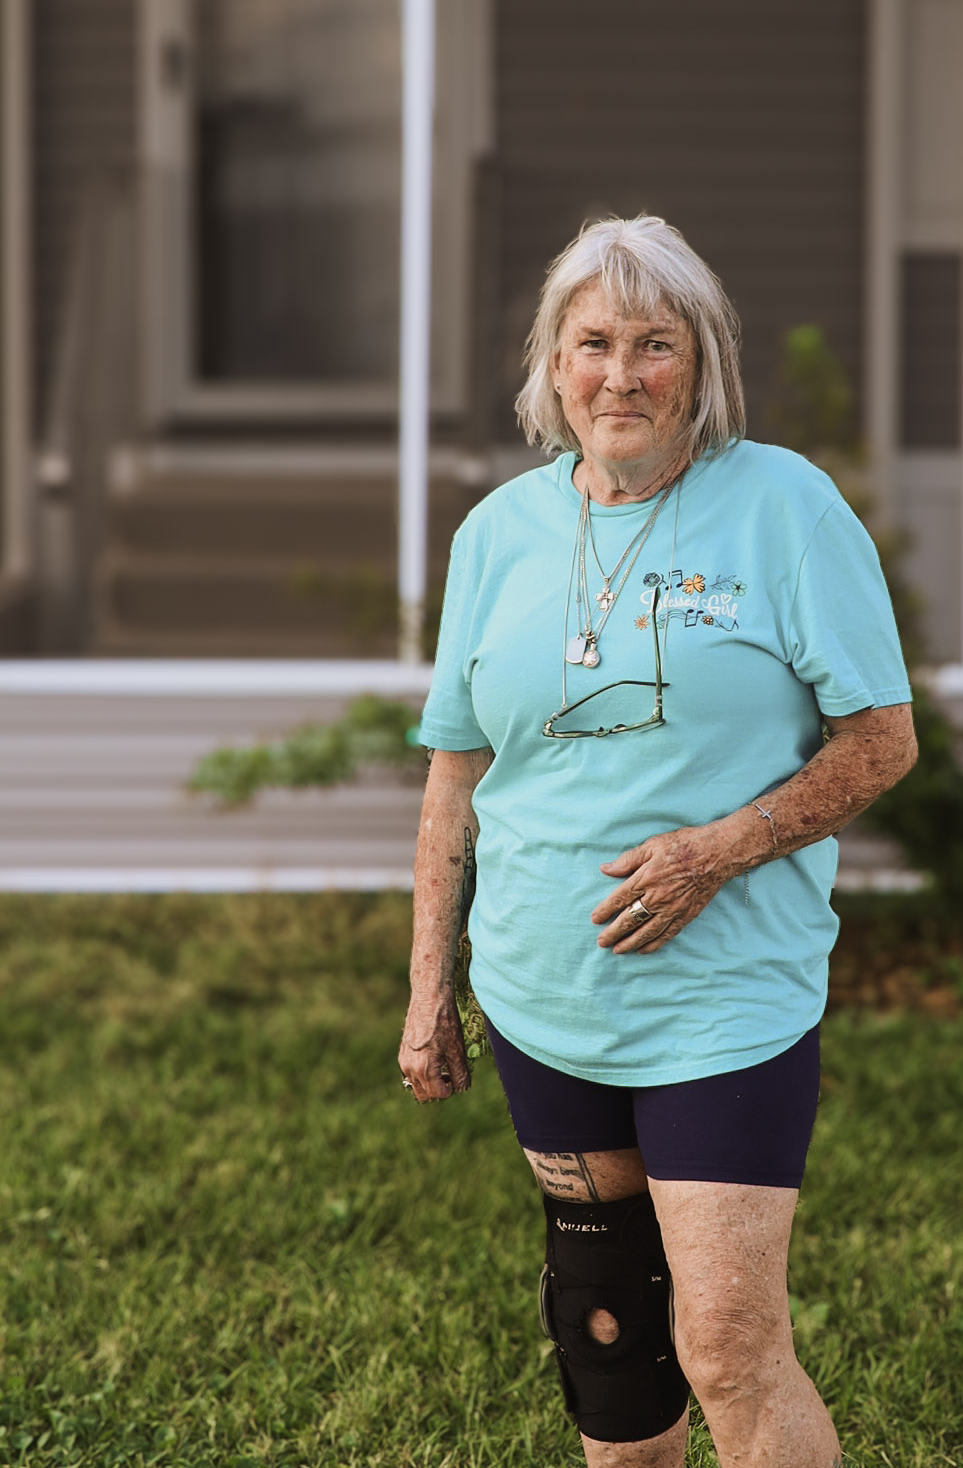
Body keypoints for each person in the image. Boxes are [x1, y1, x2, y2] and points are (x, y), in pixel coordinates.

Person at [401, 213, 918, 1468]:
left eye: (655, 343)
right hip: (542, 993)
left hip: (721, 1001)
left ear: (703, 361)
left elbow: (882, 739)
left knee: (729, 1343)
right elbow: (455, 778)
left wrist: (718, 849)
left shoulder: (785, 507)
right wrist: (429, 989)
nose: (621, 374)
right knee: (609, 1336)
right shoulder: (498, 534)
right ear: (553, 363)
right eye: (593, 343)